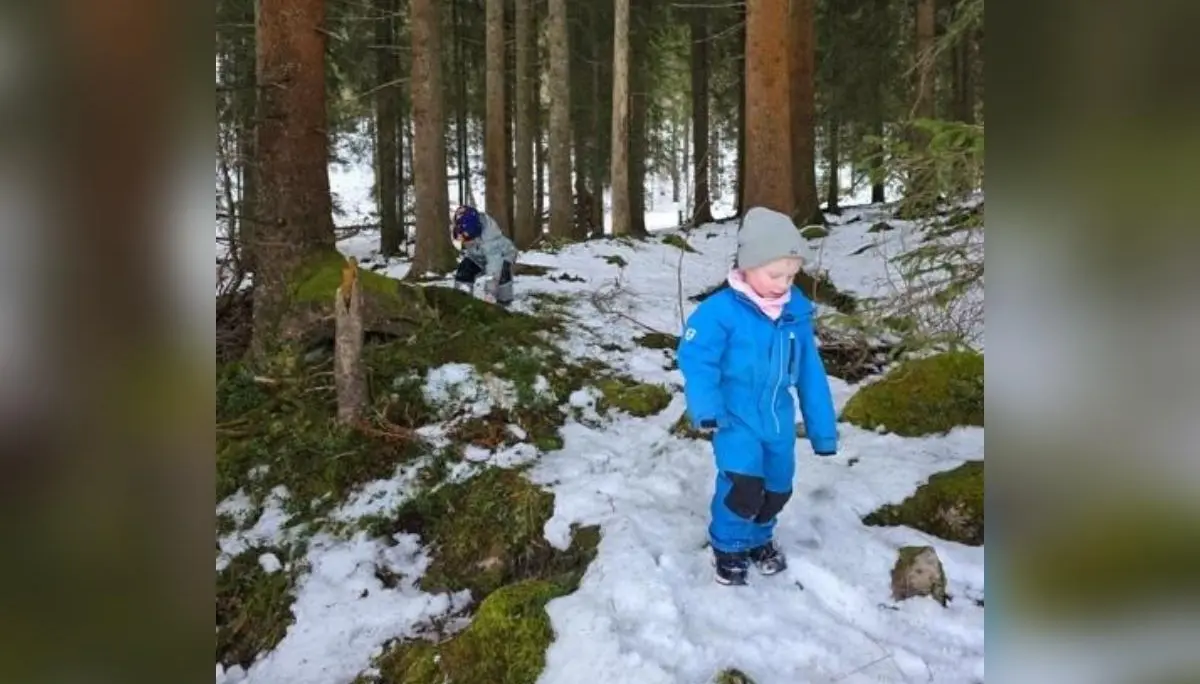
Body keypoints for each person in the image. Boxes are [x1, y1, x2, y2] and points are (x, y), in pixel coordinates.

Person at [677, 206, 839, 586]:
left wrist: (823, 430)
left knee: (777, 487)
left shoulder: (795, 315)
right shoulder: (719, 312)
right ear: (747, 266)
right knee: (744, 485)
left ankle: (759, 538)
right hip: (735, 420)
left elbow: (811, 375)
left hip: (778, 422)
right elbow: (697, 360)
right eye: (775, 274)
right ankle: (729, 545)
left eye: (791, 275)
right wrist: (707, 409)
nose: (784, 283)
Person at [451, 205, 518, 306]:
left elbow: (493, 270)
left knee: (502, 274)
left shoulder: (491, 241)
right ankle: (462, 298)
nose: (465, 241)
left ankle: (504, 302)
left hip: (502, 256)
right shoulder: (465, 227)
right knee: (465, 269)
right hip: (478, 256)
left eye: (467, 237)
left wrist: (490, 292)